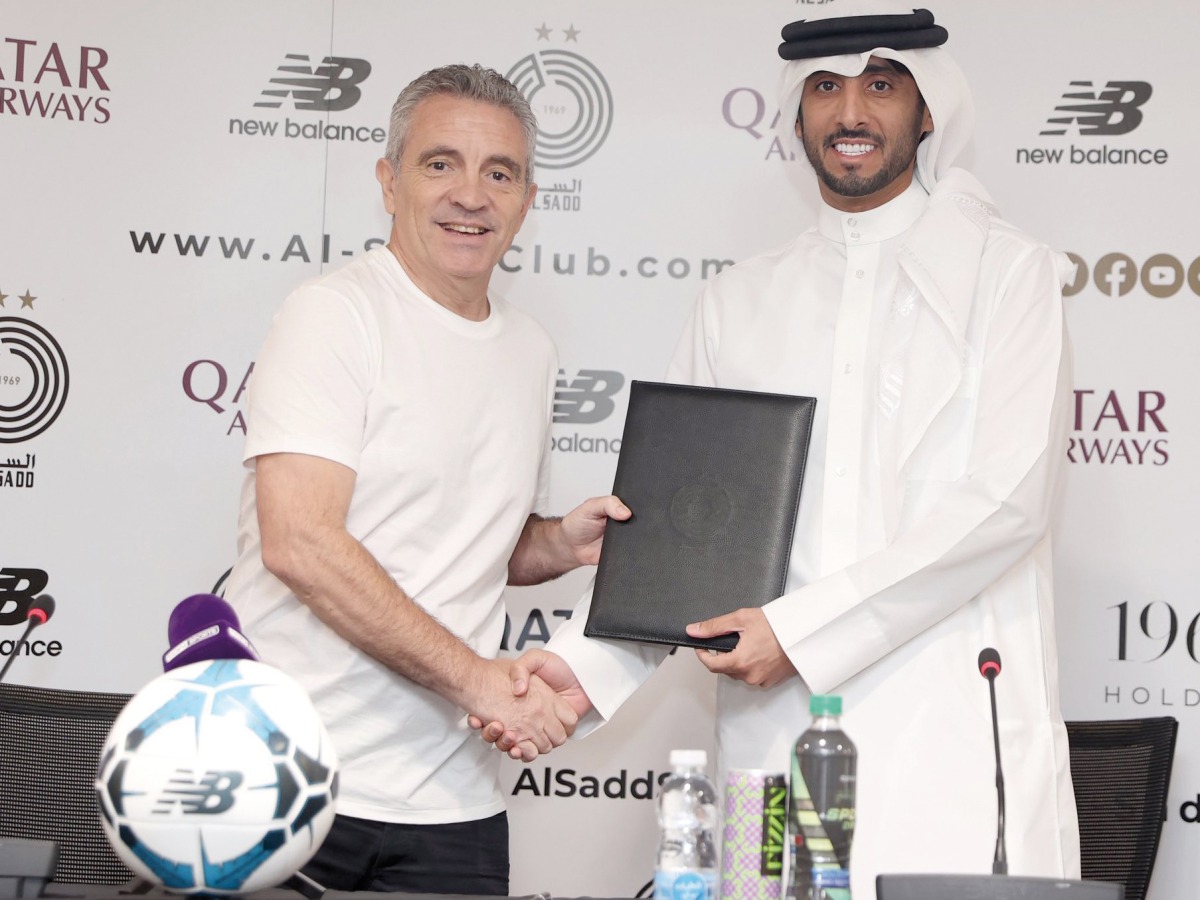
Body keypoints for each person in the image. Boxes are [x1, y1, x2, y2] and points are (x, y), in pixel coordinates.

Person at [476, 5, 1080, 896]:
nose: (851, 115)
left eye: (881, 85)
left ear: (928, 109)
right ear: (797, 113)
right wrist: (578, 669)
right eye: (825, 88)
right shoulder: (739, 300)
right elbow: (681, 536)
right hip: (777, 740)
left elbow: (1005, 504)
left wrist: (798, 634)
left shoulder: (1011, 274)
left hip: (951, 737)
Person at [224, 63, 629, 895]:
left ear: (527, 199)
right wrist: (483, 682)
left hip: (454, 804)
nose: (470, 196)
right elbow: (301, 541)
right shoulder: (335, 314)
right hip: (286, 783)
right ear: (389, 181)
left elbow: (460, 534)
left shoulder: (530, 350)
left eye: (499, 172)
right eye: (440, 163)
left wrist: (554, 543)